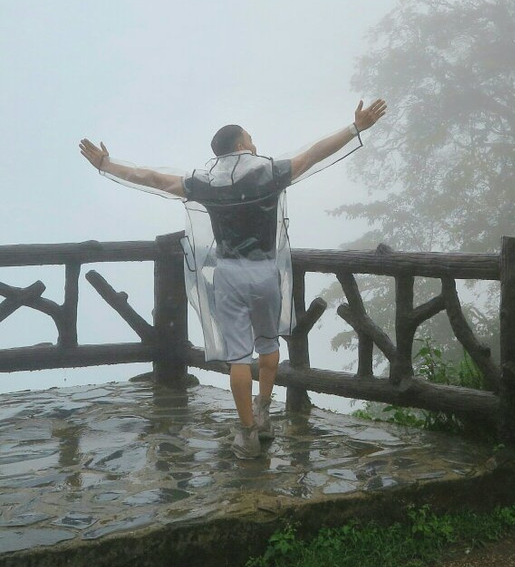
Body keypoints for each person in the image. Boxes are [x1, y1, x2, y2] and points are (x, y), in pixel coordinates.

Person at [79, 98, 388, 458]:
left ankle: (246, 434)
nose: (255, 146)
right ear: (241, 145)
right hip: (266, 272)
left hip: (227, 273)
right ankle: (264, 411)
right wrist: (355, 128)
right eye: (251, 140)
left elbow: (152, 178)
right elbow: (314, 154)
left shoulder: (204, 182)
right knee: (269, 344)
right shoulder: (269, 172)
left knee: (239, 358)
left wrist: (107, 165)